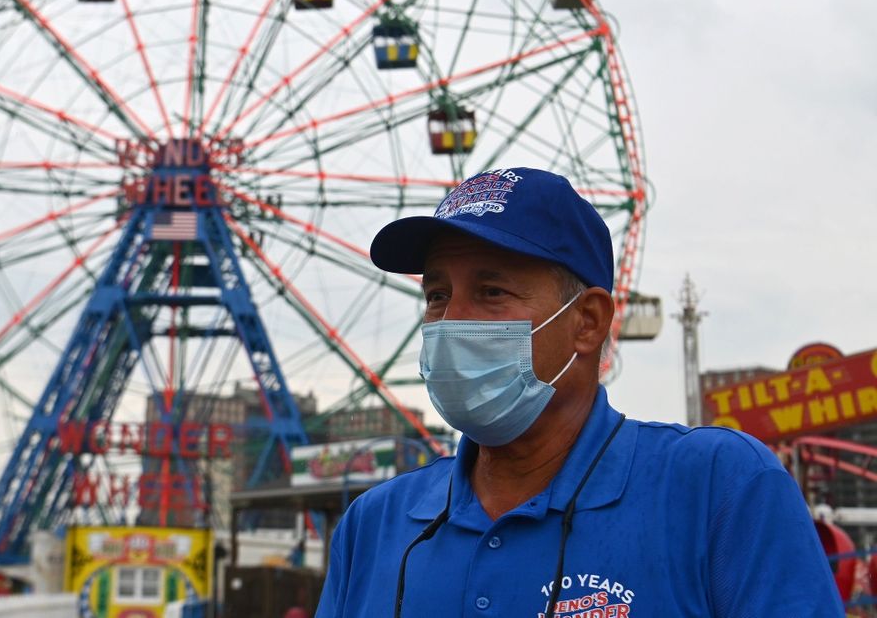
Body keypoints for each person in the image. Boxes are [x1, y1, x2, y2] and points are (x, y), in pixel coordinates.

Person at [316, 167, 843, 617]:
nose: (451, 321)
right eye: (437, 295)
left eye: (491, 292)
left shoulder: (718, 489)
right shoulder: (373, 525)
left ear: (588, 323)